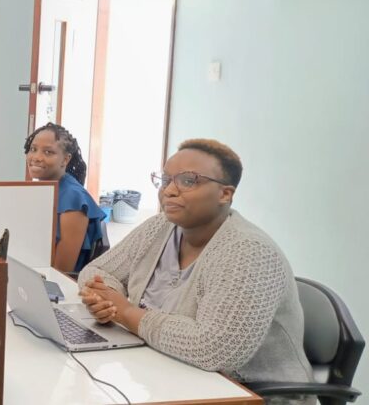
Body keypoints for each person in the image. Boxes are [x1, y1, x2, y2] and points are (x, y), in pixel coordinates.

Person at [78, 139, 313, 404]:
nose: (169, 191)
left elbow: (215, 350)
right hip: (166, 374)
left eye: (188, 181)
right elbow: (97, 269)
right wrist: (106, 302)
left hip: (244, 393)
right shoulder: (160, 227)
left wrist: (127, 313)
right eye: (166, 180)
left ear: (225, 194)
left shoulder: (249, 252)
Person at [24, 123, 105, 272]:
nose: (36, 157)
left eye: (48, 152)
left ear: (65, 160)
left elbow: (61, 270)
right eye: (33, 149)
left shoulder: (73, 199)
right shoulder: (44, 190)